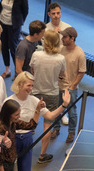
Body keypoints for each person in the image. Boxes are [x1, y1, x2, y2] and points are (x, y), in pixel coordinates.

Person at [7, 72, 70, 171]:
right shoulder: (9, 101)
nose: (31, 88)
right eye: (29, 85)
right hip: (12, 140)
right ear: (20, 84)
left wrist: (64, 105)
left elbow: (50, 116)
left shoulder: (35, 101)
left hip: (27, 140)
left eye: (32, 85)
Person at [30, 30, 66, 162]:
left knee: (29, 121)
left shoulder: (36, 54)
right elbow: (61, 75)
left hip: (35, 92)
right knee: (47, 125)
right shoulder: (61, 59)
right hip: (52, 93)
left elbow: (32, 71)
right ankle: (42, 154)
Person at [58, 27, 86, 144]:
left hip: (70, 88)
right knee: (56, 109)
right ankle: (55, 129)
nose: (62, 39)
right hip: (58, 86)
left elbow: (82, 71)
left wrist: (73, 86)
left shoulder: (80, 54)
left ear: (72, 38)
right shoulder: (61, 49)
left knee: (72, 112)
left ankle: (71, 132)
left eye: (65, 37)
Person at [0, 0, 28, 78]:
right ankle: (7, 70)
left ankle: (18, 71)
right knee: (4, 47)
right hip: (2, 23)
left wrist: (19, 22)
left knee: (13, 48)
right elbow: (0, 7)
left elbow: (25, 11)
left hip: (14, 26)